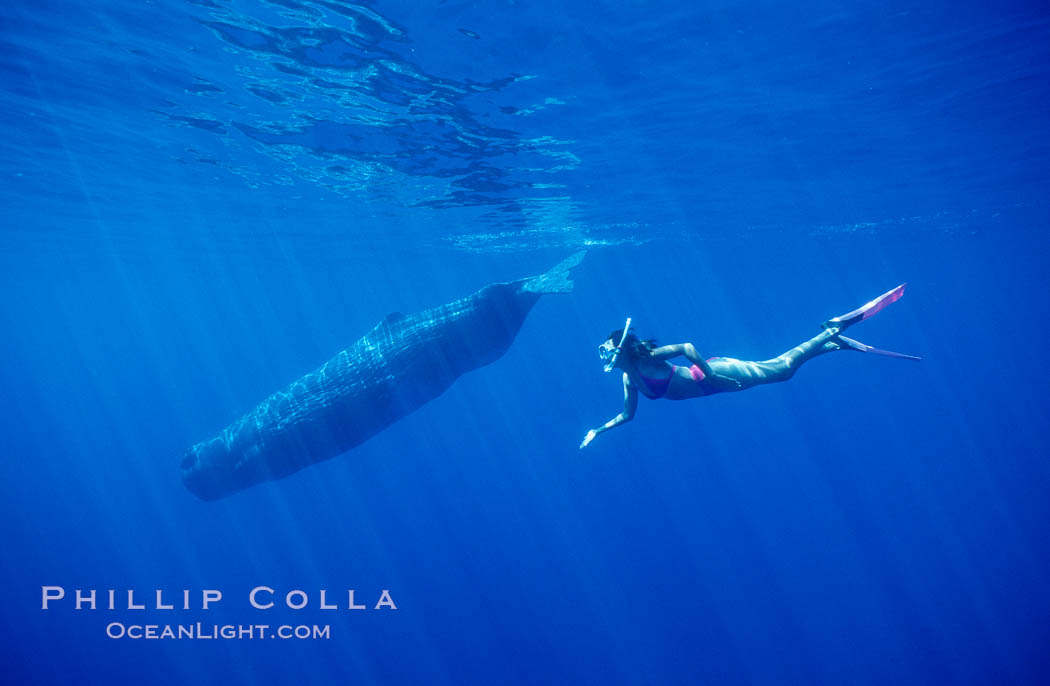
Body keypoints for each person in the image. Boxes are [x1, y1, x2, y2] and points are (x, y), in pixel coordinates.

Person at [580, 284, 919, 448]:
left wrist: (713, 376)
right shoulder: (629, 378)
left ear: (624, 349)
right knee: (781, 369)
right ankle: (833, 344)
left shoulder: (648, 359)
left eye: (608, 352)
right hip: (712, 383)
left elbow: (687, 347)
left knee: (782, 369)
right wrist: (598, 430)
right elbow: (628, 415)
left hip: (715, 374)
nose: (606, 358)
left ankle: (833, 330)